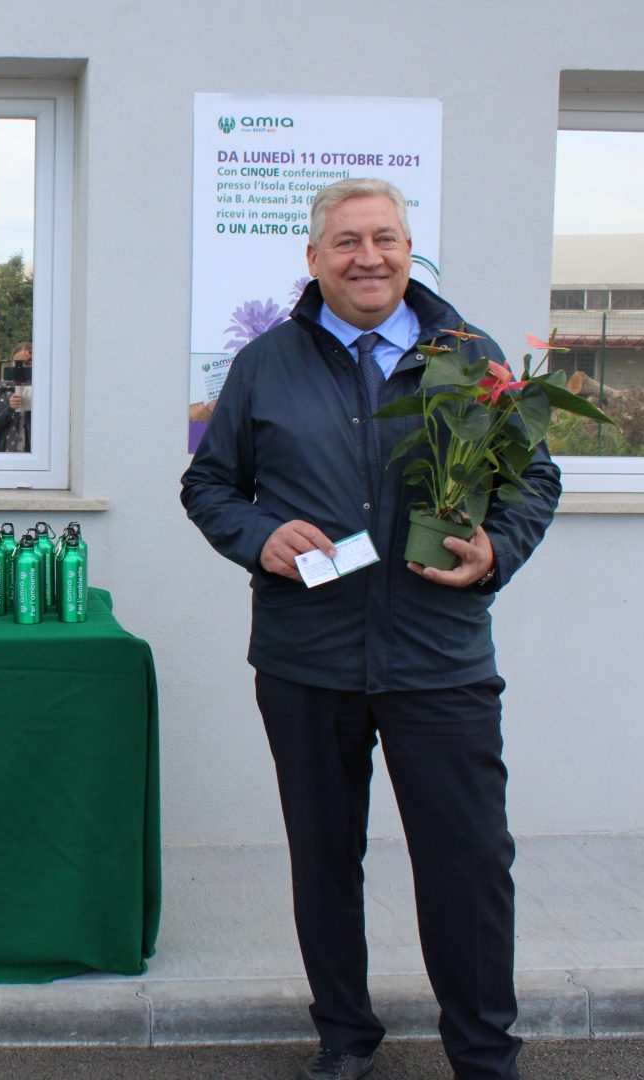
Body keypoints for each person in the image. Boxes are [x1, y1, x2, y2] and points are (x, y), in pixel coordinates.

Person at [180, 179, 559, 1080]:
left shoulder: (469, 357)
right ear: (314, 260)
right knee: (324, 859)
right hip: (308, 658)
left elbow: (533, 479)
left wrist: (496, 549)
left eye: (384, 237)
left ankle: (483, 1053)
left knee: (469, 865)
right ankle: (345, 1036)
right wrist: (260, 535)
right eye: (346, 242)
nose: (368, 257)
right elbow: (209, 485)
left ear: (408, 248)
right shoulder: (264, 363)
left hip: (440, 655)